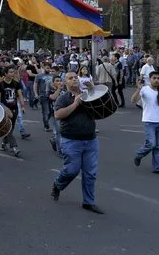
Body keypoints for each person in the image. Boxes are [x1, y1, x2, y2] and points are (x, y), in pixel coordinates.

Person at [51, 72, 103, 214]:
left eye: (76, 77)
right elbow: (58, 115)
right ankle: (58, 184)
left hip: (90, 140)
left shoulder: (87, 94)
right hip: (71, 140)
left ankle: (88, 202)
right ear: (65, 82)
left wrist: (93, 91)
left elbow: (101, 109)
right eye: (70, 78)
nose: (74, 79)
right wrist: (75, 103)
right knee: (72, 170)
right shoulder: (63, 98)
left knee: (90, 173)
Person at [130, 71, 159, 175]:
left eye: (158, 78)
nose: (157, 80)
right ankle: (139, 155)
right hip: (149, 122)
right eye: (154, 78)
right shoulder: (144, 89)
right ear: (150, 79)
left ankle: (157, 168)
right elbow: (133, 100)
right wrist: (138, 88)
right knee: (151, 144)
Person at [0, 66, 26, 157]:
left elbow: (20, 95)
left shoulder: (16, 83)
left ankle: (3, 143)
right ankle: (14, 147)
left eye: (13, 72)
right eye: (10, 72)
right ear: (5, 74)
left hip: (15, 108)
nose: (12, 74)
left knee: (11, 128)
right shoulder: (0, 85)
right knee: (8, 128)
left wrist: (23, 106)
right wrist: (1, 109)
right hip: (5, 109)